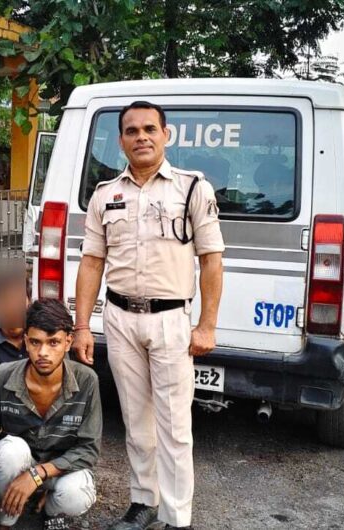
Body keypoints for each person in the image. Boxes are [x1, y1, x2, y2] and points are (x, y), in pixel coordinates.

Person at [73, 101, 225, 530]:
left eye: (149, 129)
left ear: (165, 135)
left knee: (174, 424)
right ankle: (143, 502)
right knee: (135, 420)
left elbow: (212, 260)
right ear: (121, 141)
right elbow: (91, 263)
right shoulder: (105, 194)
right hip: (120, 318)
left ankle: (177, 517)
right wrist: (82, 326)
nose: (141, 137)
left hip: (171, 320)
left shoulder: (192, 189)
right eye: (132, 131)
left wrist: (207, 325)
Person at [0, 299, 101, 530]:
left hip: (62, 470)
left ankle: (49, 509)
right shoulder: (2, 377)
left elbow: (88, 449)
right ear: (25, 341)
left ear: (68, 342)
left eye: (53, 342)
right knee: (8, 451)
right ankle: (6, 520)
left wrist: (37, 474)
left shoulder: (87, 381)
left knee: (76, 494)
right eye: (35, 342)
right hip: (21, 462)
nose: (43, 353)